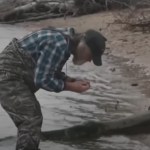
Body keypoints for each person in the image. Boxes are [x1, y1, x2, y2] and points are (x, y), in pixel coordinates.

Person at [0, 27, 106, 150]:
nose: (89, 60)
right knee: (31, 119)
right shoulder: (59, 44)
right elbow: (42, 80)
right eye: (91, 55)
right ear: (83, 44)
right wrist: (70, 87)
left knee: (31, 118)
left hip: (14, 74)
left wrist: (68, 80)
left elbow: (48, 70)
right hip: (8, 75)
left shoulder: (64, 41)